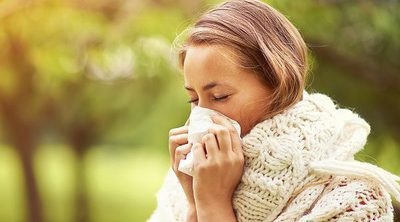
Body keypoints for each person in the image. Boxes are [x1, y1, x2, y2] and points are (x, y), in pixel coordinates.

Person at [148, 0, 400, 221]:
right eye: (193, 99)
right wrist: (194, 205)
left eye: (219, 96)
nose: (200, 118)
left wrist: (214, 206)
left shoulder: (354, 200)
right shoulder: (184, 186)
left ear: (278, 84)